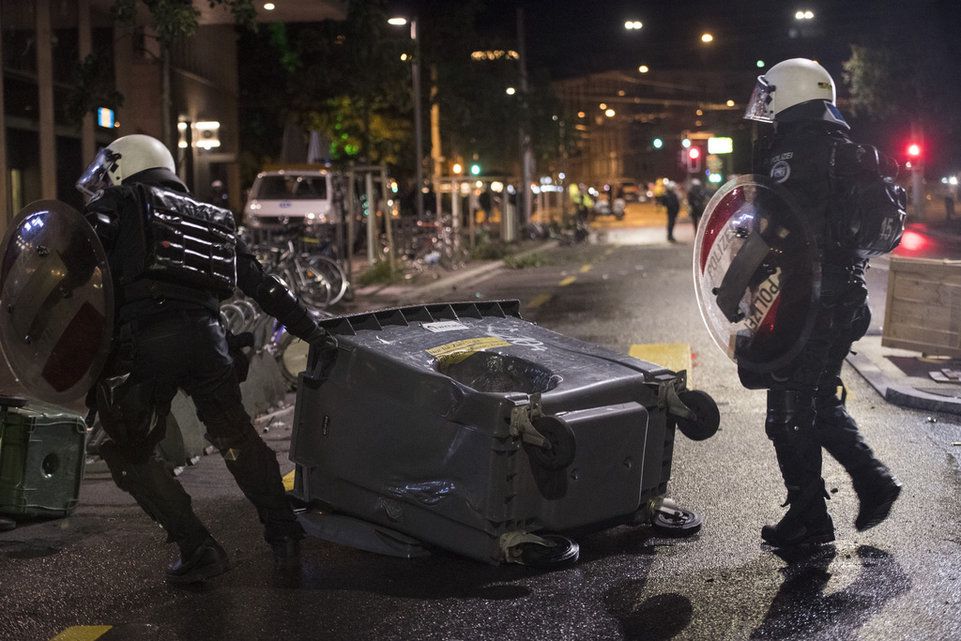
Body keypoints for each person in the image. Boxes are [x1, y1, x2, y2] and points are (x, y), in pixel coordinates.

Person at [75, 134, 334, 583]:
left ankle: (198, 550)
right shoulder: (211, 217)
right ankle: (284, 534)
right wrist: (311, 331)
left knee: (126, 449)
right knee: (237, 439)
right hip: (209, 340)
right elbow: (260, 282)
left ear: (125, 165)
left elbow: (79, 255)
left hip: (146, 342)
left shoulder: (120, 201)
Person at [740, 58, 902, 548]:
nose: (765, 105)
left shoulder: (793, 152)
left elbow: (773, 231)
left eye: (771, 95)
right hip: (845, 298)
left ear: (788, 93)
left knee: (788, 412)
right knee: (819, 401)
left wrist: (737, 289)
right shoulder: (844, 148)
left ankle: (810, 520)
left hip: (806, 300)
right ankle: (873, 483)